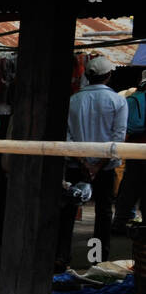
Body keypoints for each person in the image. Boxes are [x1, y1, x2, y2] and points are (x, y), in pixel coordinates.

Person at [59, 55, 127, 269]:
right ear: (108, 76)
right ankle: (97, 260)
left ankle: (62, 257)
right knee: (103, 214)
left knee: (68, 212)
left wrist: (84, 163)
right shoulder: (118, 100)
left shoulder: (73, 100)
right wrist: (97, 166)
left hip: (76, 166)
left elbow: (67, 137)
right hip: (104, 169)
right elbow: (118, 139)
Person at [111, 71, 146, 234]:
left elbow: (125, 127)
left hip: (134, 149)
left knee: (130, 184)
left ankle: (121, 221)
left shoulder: (133, 97)